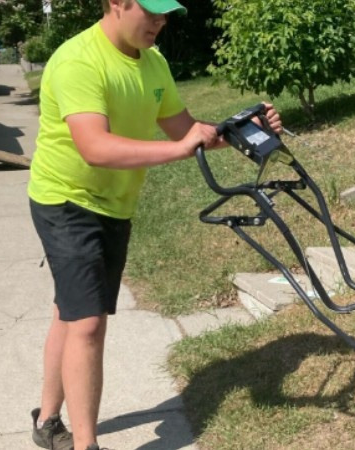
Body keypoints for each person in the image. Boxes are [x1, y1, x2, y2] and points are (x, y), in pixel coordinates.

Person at [26, 1, 282, 449]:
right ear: (116, 3)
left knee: (70, 313)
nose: (161, 21)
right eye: (152, 10)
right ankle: (85, 444)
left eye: (167, 12)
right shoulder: (77, 60)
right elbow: (95, 148)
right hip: (66, 200)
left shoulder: (154, 61)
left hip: (114, 203)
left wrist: (242, 129)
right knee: (87, 322)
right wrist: (181, 148)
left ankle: (46, 420)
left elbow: (183, 129)